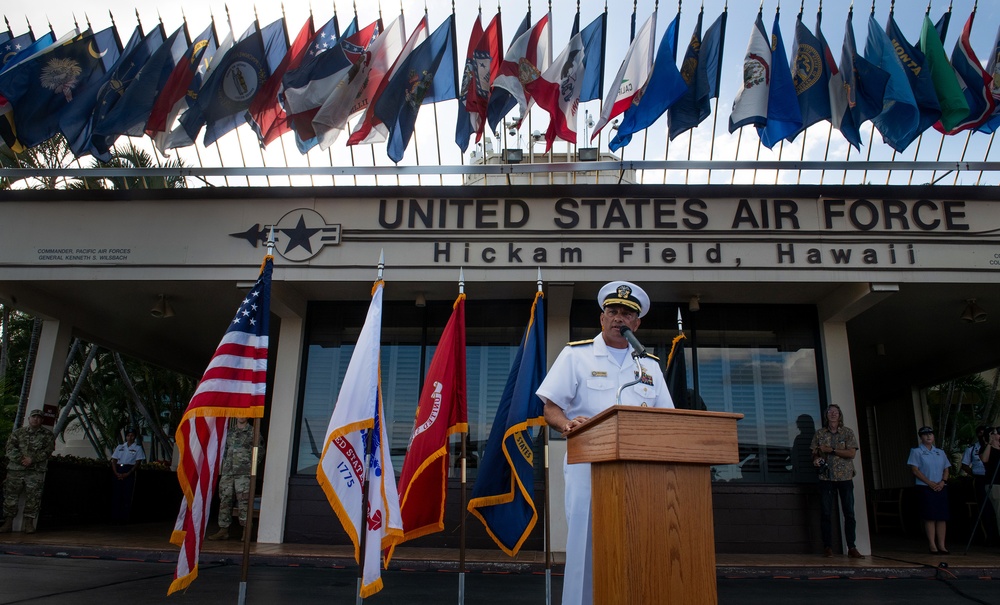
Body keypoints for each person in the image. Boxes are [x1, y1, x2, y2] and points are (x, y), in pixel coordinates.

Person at [537, 281, 675, 605]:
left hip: (638, 470)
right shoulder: (576, 355)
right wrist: (567, 424)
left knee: (636, 543)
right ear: (602, 318)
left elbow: (666, 419)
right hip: (588, 464)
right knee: (586, 544)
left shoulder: (649, 366)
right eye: (612, 311)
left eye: (626, 313)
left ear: (636, 323)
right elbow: (550, 407)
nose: (618, 318)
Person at [810, 404, 863, 559]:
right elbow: (814, 452)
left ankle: (852, 547)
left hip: (845, 477)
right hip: (826, 477)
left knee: (849, 513)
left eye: (835, 412)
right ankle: (827, 547)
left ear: (840, 415)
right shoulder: (820, 434)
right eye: (830, 412)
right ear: (826, 415)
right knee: (826, 513)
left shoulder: (847, 433)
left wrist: (831, 450)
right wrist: (816, 459)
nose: (832, 414)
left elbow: (852, 453)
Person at [1, 409, 56, 534]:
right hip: (16, 470)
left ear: (42, 420)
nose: (36, 419)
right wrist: (22, 460)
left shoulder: (47, 435)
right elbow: (10, 448)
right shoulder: (18, 433)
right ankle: (8, 522)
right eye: (34, 417)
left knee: (33, 497)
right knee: (11, 496)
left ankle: (29, 523)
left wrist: (32, 459)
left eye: (39, 417)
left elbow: (48, 451)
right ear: (29, 418)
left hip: (35, 471)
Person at [208, 417, 260, 540]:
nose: (241, 416)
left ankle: (246, 531)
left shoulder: (253, 432)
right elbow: (224, 451)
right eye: (239, 413)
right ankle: (223, 529)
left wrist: (249, 467)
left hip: (244, 474)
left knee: (244, 502)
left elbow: (259, 452)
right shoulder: (230, 432)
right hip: (228, 472)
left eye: (244, 414)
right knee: (225, 500)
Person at [907, 426, 951, 554]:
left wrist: (943, 481)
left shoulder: (940, 452)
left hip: (941, 486)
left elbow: (946, 468)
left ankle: (942, 545)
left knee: (942, 517)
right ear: (921, 437)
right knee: (930, 516)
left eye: (930, 434)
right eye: (925, 434)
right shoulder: (916, 451)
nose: (928, 436)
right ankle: (932, 544)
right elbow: (915, 470)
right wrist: (929, 483)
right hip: (925, 486)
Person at [109, 428, 145, 524]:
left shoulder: (137, 448)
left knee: (127, 494)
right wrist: (116, 472)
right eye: (128, 435)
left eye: (132, 435)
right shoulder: (120, 447)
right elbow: (114, 460)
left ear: (134, 437)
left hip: (129, 469)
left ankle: (124, 518)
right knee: (117, 494)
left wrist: (129, 473)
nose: (130, 437)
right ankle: (115, 517)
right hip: (119, 469)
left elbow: (138, 462)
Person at [979, 426, 1000, 541]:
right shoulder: (986, 448)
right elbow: (984, 459)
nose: (998, 435)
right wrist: (990, 443)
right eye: (995, 433)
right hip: (995, 484)